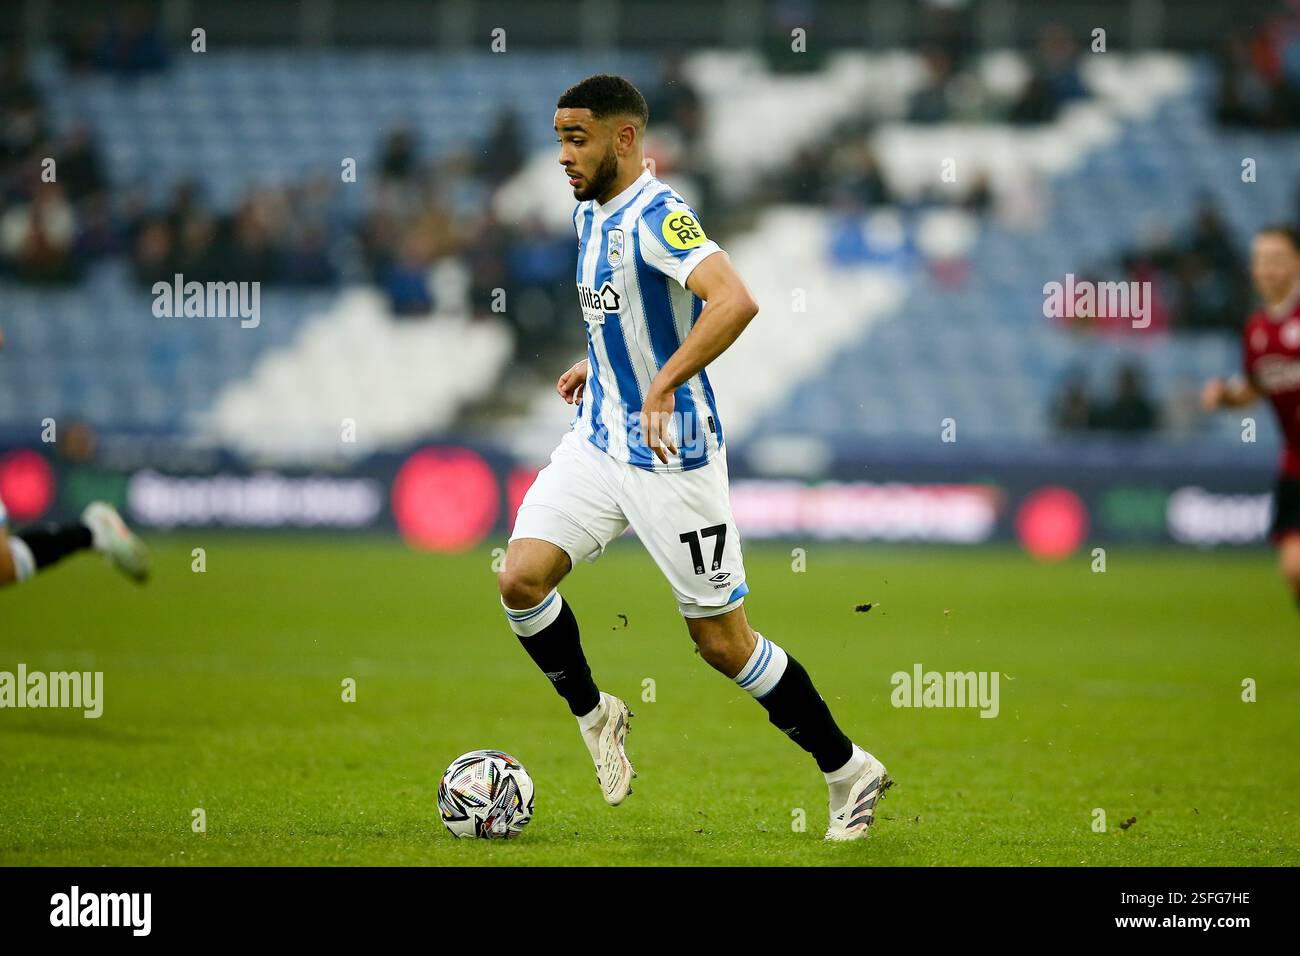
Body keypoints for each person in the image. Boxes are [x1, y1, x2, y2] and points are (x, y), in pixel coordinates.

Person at [497, 75, 890, 841]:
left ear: (625, 138)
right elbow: (632, 313)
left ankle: (848, 770)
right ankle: (597, 714)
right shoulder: (590, 213)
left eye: (577, 139)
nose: (563, 156)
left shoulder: (659, 214)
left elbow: (733, 298)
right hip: (601, 438)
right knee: (519, 578)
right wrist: (601, 363)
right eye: (558, 140)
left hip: (672, 459)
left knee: (721, 643)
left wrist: (663, 385)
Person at [1202, 225, 1300, 606]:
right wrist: (1226, 396)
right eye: (1260, 260)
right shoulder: (1257, 329)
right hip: (1294, 465)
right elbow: (1255, 388)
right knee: (1293, 569)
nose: (1267, 269)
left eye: (1277, 260)